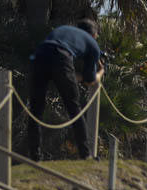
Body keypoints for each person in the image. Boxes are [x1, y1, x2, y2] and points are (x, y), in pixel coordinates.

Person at [27, 19, 105, 161]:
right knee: (73, 107)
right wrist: (101, 71)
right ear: (94, 35)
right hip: (61, 56)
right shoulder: (93, 44)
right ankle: (85, 155)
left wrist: (71, 75)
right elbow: (89, 80)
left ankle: (34, 156)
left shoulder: (65, 28)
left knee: (36, 109)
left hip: (39, 55)